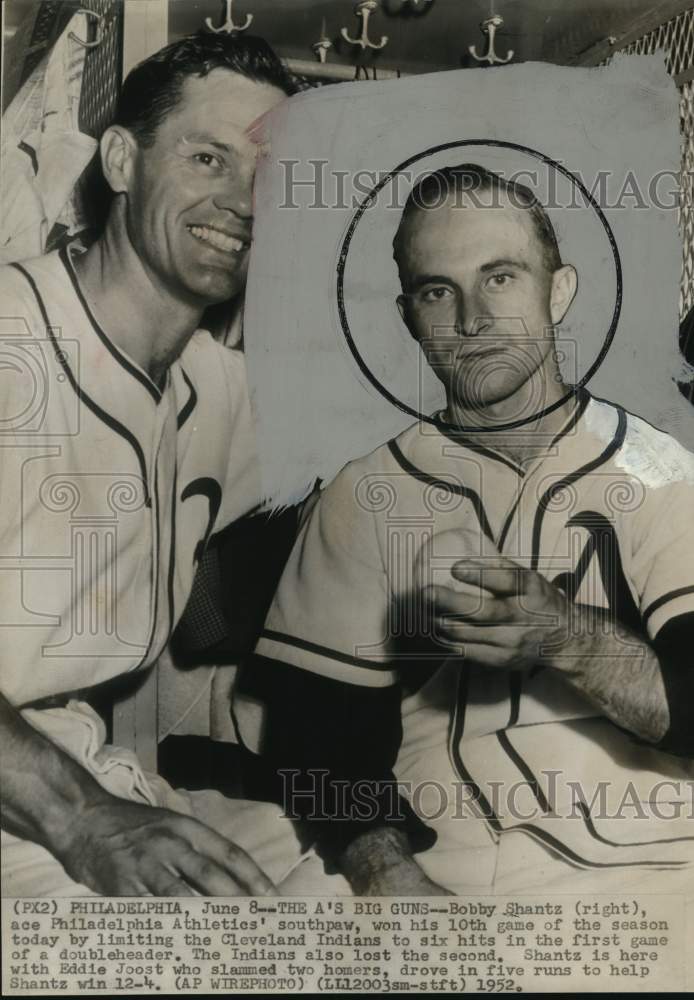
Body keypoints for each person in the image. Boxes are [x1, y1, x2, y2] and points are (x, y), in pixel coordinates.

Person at [235, 163, 694, 895]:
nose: (472, 319)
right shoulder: (368, 491)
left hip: (660, 851)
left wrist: (568, 636)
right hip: (456, 856)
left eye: (501, 277)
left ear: (560, 290)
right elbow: (314, 741)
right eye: (437, 290)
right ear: (411, 316)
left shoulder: (656, 467)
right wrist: (387, 872)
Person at [0, 30, 304, 897]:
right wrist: (82, 818)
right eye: (208, 157)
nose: (244, 202)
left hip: (76, 773)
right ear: (124, 162)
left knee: (360, 912)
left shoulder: (214, 385)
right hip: (44, 803)